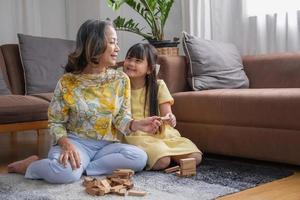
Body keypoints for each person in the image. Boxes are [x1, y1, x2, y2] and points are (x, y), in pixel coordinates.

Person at [7, 20, 161, 184]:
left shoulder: (121, 79)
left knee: (139, 157)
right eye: (112, 42)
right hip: (75, 143)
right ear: (95, 45)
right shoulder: (68, 82)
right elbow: (56, 122)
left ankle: (81, 169)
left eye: (117, 43)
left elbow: (121, 118)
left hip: (106, 148)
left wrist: (137, 124)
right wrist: (66, 145)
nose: (118, 48)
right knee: (65, 173)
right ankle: (32, 165)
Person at [123, 43, 202, 170]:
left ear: (149, 69)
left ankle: (166, 154)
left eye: (138, 61)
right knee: (162, 161)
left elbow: (167, 115)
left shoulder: (159, 85)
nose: (131, 64)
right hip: (137, 134)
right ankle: (165, 157)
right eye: (129, 59)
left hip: (162, 133)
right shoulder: (120, 87)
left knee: (195, 156)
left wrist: (170, 118)